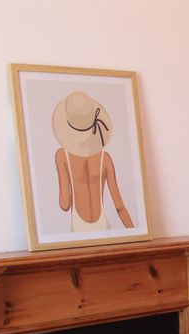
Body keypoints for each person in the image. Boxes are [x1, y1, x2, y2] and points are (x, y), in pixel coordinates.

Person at [51, 91, 134, 231]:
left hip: (78, 229)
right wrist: (136, 235)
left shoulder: (62, 156)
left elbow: (64, 204)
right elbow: (120, 206)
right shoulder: (105, 158)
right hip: (103, 226)